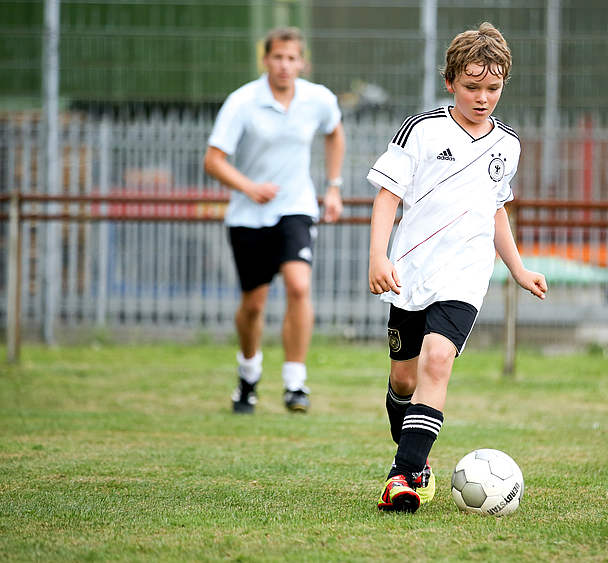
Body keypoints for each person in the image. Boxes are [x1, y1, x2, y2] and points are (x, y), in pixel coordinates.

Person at [366, 22, 547, 513]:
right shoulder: (422, 130)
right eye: (472, 87)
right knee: (403, 380)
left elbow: (495, 210)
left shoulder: (507, 145)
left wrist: (518, 268)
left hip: (465, 275)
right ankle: (415, 456)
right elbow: (388, 197)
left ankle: (403, 477)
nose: (483, 97)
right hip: (410, 271)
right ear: (450, 82)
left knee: (437, 361)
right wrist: (378, 255)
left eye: (492, 88)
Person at [204, 27, 345, 415]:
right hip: (248, 216)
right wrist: (249, 187)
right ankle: (248, 378)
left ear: (303, 62)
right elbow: (213, 160)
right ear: (265, 60)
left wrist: (333, 187)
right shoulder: (242, 102)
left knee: (299, 286)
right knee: (254, 303)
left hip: (295, 208)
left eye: (292, 58)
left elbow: (335, 133)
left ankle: (295, 384)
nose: (284, 65)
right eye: (277, 57)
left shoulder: (318, 99)